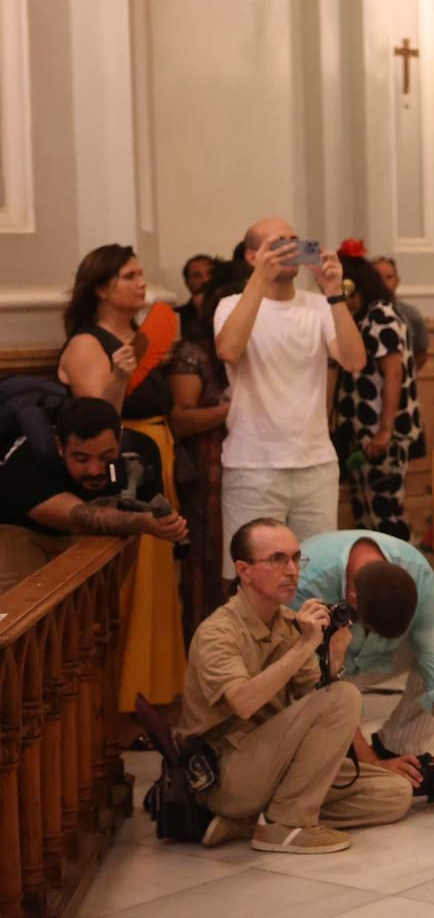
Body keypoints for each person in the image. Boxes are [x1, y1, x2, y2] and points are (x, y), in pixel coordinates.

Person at [177, 518, 413, 854]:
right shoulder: (218, 632)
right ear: (244, 571)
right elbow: (243, 703)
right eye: (277, 560)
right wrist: (305, 646)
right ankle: (285, 824)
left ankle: (250, 822)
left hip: (276, 764)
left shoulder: (288, 624)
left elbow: (313, 703)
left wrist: (333, 658)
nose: (291, 570)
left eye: (295, 558)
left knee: (394, 794)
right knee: (345, 696)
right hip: (226, 774)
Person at [58, 244, 191, 710]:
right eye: (129, 275)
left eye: (141, 273)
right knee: (134, 588)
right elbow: (98, 423)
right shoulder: (86, 344)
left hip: (159, 458)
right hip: (122, 468)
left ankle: (156, 696)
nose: (141, 282)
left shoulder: (141, 336)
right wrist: (117, 377)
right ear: (100, 287)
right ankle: (125, 704)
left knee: (160, 582)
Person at [214, 219, 367, 575]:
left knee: (317, 575)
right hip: (253, 466)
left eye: (294, 242)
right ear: (253, 256)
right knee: (252, 578)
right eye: (276, 244)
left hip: (315, 464)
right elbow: (229, 350)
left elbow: (354, 360)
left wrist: (333, 291)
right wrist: (259, 280)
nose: (289, 248)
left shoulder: (318, 306)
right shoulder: (230, 304)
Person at [296, 530, 434, 794]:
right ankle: (362, 757)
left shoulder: (418, 573)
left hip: (375, 658)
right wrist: (371, 763)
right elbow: (315, 684)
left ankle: (397, 745)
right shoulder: (307, 582)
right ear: (352, 598)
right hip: (325, 668)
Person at [0, 397, 188, 590]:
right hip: (21, 533)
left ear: (120, 441)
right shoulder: (28, 461)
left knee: (94, 610)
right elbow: (76, 515)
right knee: (18, 612)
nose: (95, 470)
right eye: (81, 459)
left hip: (86, 538)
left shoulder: (141, 450)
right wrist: (142, 522)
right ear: (59, 446)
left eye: (106, 457)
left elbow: (144, 510)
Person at [169, 261, 244, 632]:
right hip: (207, 468)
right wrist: (234, 407)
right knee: (210, 557)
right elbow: (180, 419)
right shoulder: (193, 353)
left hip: (246, 462)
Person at [334, 255, 423, 542]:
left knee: (387, 515)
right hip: (363, 434)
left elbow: (393, 374)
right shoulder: (362, 318)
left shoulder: (380, 315)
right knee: (367, 516)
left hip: (383, 435)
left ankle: (401, 580)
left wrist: (385, 430)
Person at [373, 256, 430, 371]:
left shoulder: (411, 315)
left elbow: (421, 352)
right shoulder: (360, 314)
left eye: (388, 277)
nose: (383, 282)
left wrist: (406, 373)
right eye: (378, 277)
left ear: (397, 281)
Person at [175, 254, 216, 338]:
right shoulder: (176, 317)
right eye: (197, 276)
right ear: (187, 282)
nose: (205, 280)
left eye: (210, 274)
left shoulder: (230, 311)